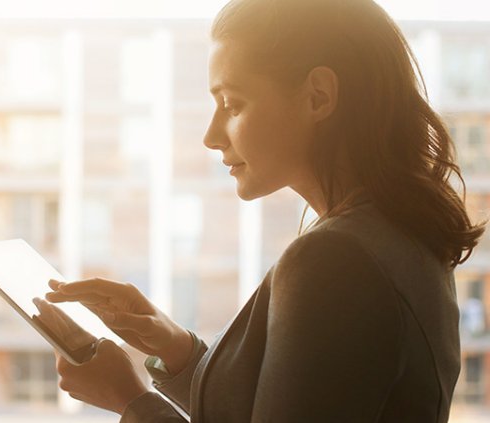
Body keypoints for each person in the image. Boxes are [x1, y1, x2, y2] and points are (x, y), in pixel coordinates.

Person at [42, 0, 486, 421]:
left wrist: (130, 399)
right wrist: (177, 349)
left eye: (232, 104)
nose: (212, 136)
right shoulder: (396, 232)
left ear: (318, 96)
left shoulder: (335, 259)